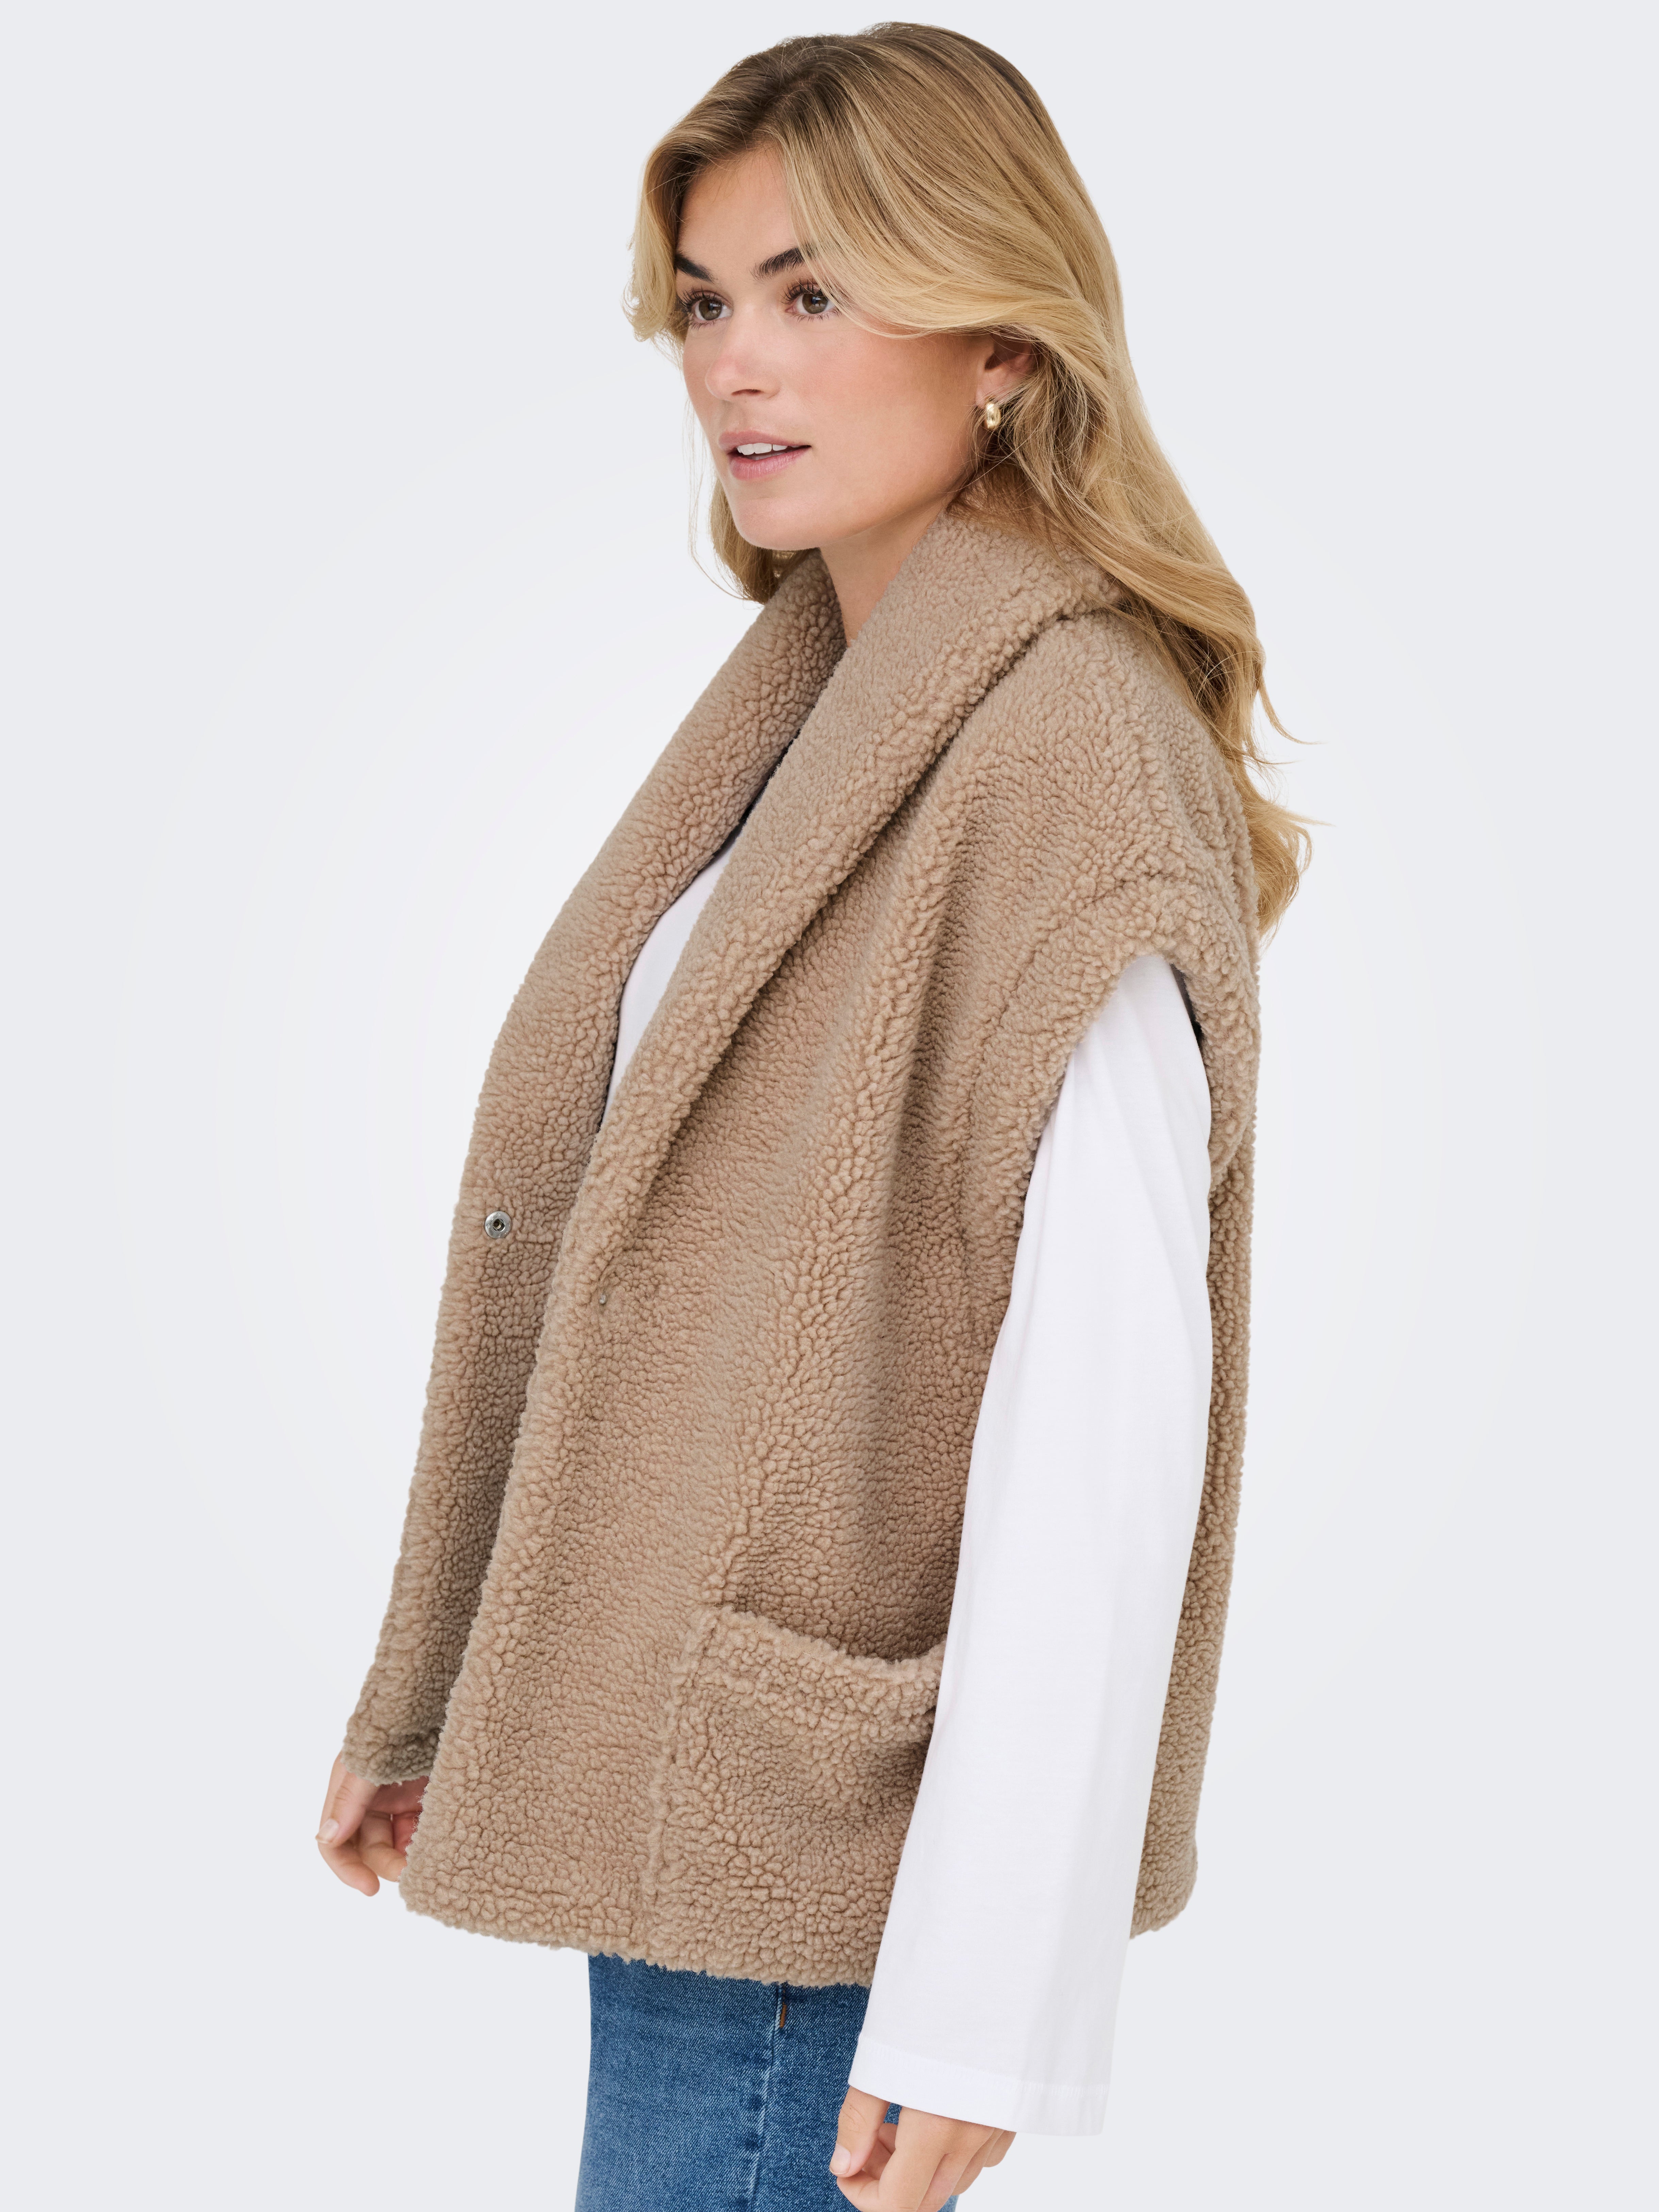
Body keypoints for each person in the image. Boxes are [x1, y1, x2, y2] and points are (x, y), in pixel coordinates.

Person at [316, 26, 1303, 2212]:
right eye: (704, 300)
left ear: (1006, 344)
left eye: (814, 291)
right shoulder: (818, 705)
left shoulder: (1061, 754)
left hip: (825, 1890)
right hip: (709, 1815)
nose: (734, 364)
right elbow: (660, 1262)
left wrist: (987, 1997)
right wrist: (468, 1685)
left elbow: (1102, 1413)